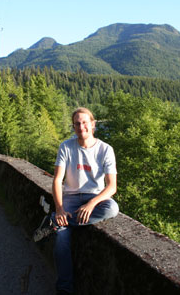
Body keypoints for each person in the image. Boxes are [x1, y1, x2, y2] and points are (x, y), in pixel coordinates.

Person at [33, 107, 119, 295]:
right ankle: (64, 289)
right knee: (62, 238)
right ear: (73, 127)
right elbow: (57, 180)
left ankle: (55, 222)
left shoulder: (105, 150)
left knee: (112, 208)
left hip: (94, 198)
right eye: (77, 124)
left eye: (85, 122)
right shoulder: (66, 146)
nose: (81, 127)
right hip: (70, 198)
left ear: (93, 124)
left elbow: (112, 187)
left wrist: (91, 204)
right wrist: (61, 208)